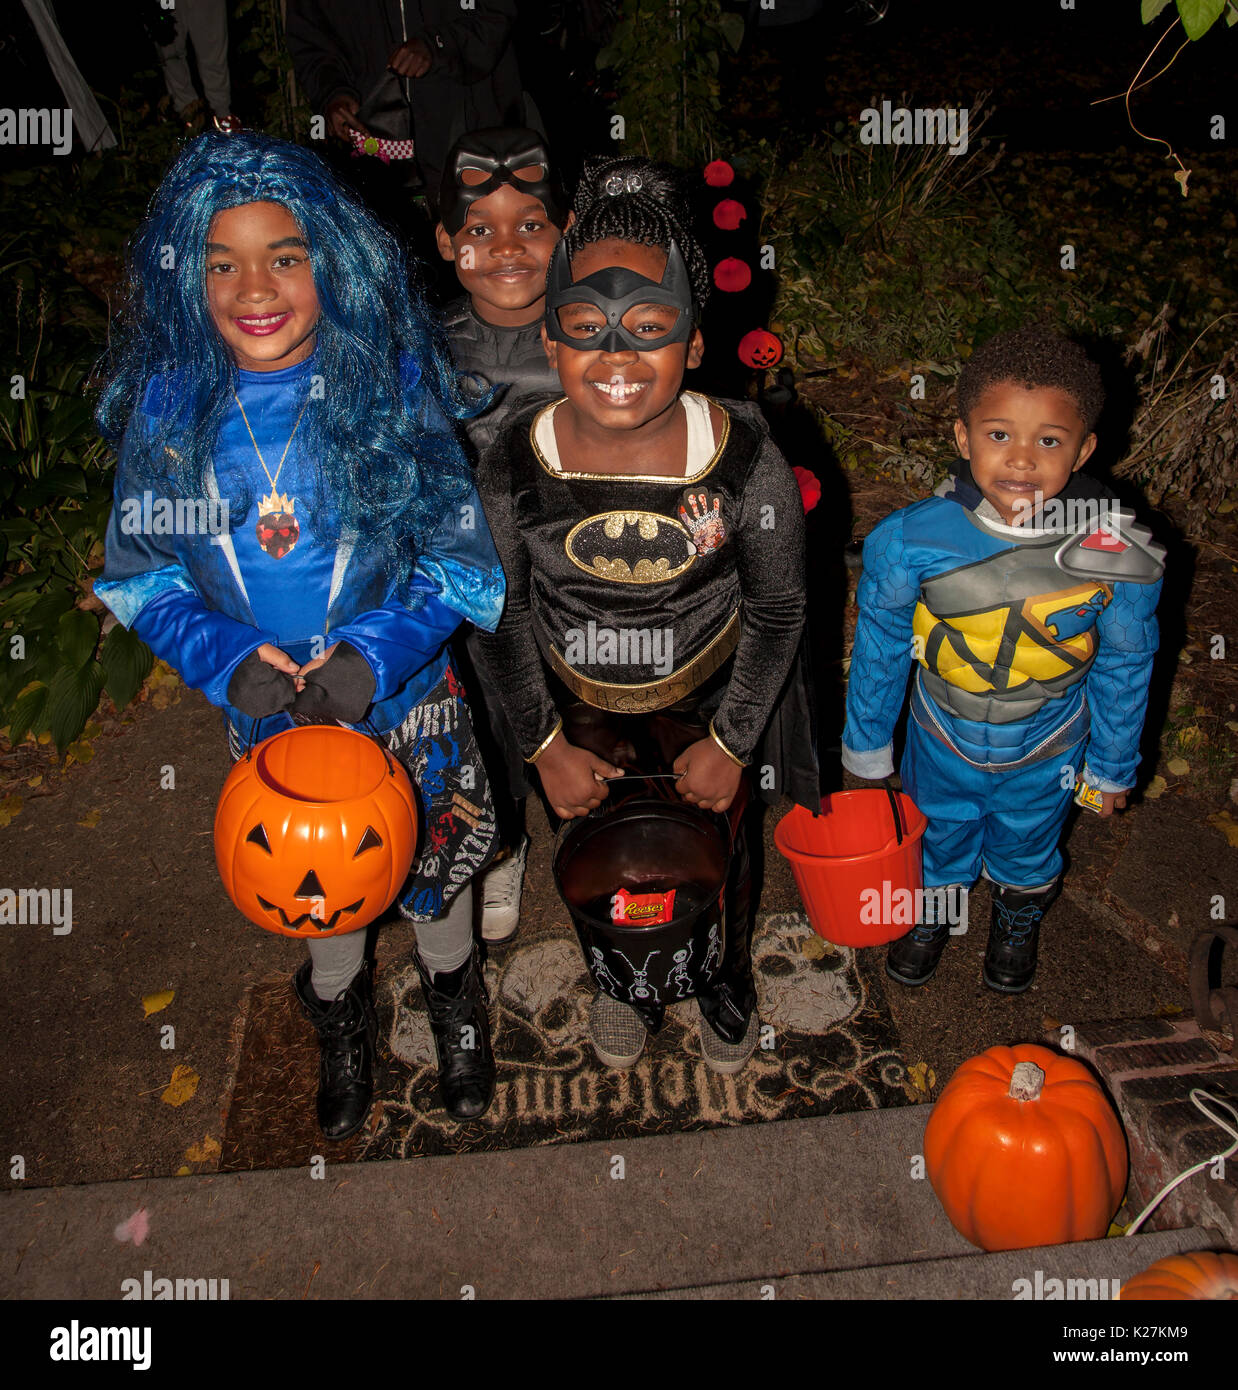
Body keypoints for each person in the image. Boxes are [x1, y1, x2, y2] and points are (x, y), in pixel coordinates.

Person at [94, 132, 507, 1137]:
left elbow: (459, 560)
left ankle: (453, 1001)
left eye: (284, 255)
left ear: (334, 259)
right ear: (183, 278)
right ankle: (345, 1016)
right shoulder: (170, 413)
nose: (254, 287)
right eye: (220, 263)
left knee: (433, 875)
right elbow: (141, 574)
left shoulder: (391, 386)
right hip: (278, 727)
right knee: (319, 888)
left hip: (407, 708)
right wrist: (228, 660)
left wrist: (373, 655)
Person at [474, 156, 818, 1074]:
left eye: (649, 328)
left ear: (695, 342)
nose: (617, 359)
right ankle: (621, 981)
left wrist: (737, 740)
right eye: (587, 329)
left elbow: (781, 607)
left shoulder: (745, 462)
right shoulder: (516, 460)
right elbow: (497, 612)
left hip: (710, 694)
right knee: (599, 854)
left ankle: (720, 974)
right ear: (549, 341)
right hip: (575, 705)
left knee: (723, 848)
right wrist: (543, 745)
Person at [842, 327, 1164, 993]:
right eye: (998, 435)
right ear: (963, 439)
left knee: (1030, 837)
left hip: (1048, 742)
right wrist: (867, 747)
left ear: (1085, 448)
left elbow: (1127, 663)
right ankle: (935, 912)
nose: (1022, 459)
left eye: (1049, 440)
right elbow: (878, 647)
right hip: (940, 735)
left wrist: (1110, 766)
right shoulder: (910, 539)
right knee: (938, 834)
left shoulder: (1116, 550)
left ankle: (1018, 914)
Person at [436, 125, 569, 944]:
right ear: (448, 242)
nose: (508, 247)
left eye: (533, 225)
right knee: (486, 715)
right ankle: (502, 838)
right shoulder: (427, 342)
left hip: (573, 565)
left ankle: (595, 833)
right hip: (474, 572)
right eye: (480, 230)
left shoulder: (597, 328)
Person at [284, 0, 525, 221]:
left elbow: (497, 16)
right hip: (377, 149)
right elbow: (311, 40)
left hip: (471, 133)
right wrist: (333, 94)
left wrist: (437, 44)